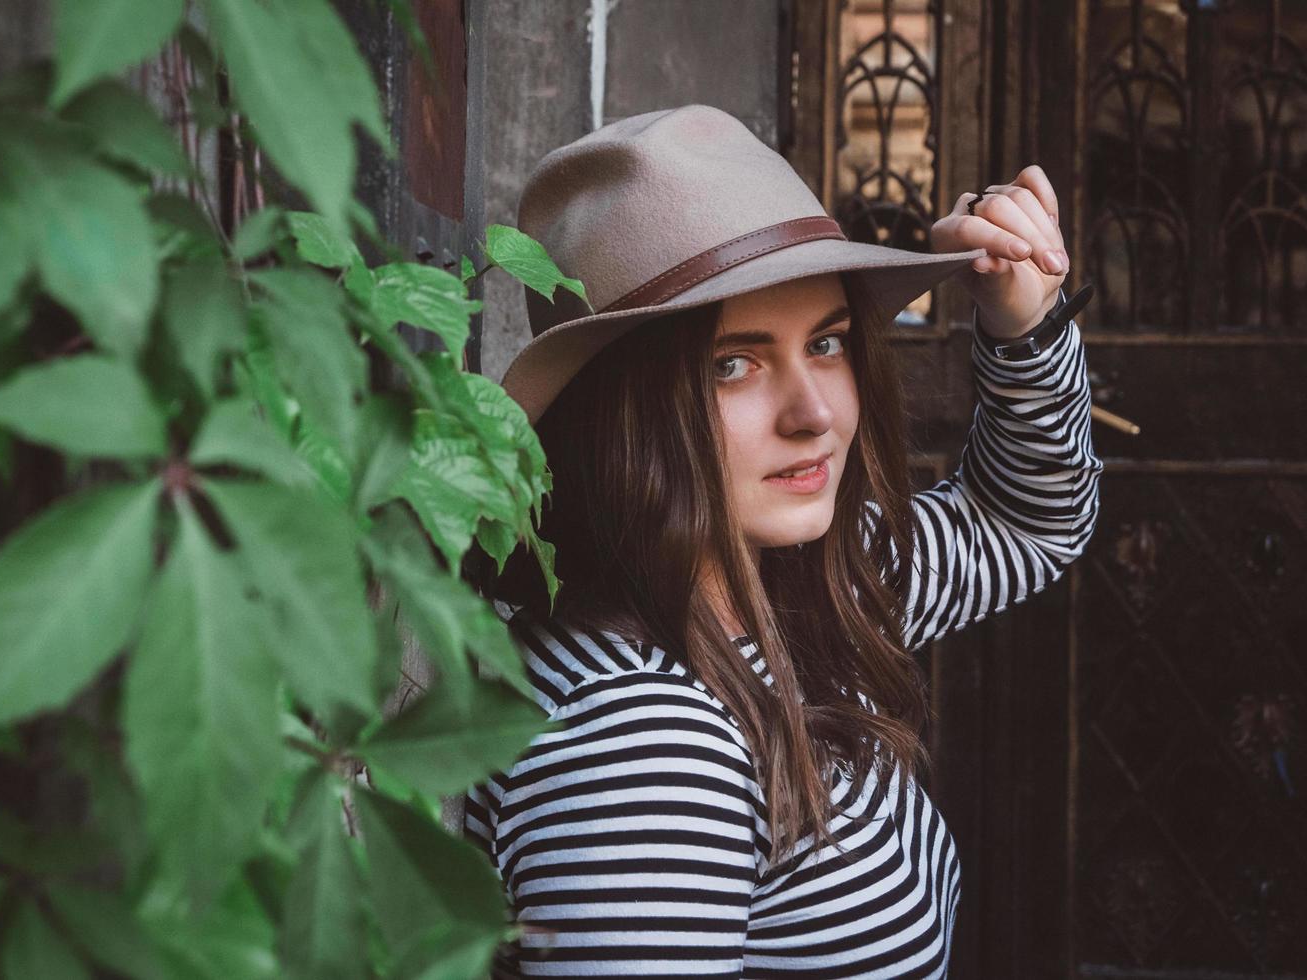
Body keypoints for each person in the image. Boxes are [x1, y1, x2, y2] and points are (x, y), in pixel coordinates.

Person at [462, 104, 1102, 978]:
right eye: (735, 362)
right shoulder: (644, 754)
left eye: (827, 343)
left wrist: (1026, 328)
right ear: (624, 411)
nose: (815, 415)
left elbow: (1027, 525)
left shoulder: (799, 587)